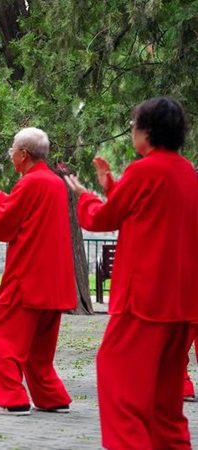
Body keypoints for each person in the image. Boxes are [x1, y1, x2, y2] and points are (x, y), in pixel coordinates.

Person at [65, 96, 198, 449]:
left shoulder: (144, 171)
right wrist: (110, 186)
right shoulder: (187, 172)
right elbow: (143, 207)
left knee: (119, 382)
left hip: (144, 298)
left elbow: (103, 218)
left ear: (148, 132)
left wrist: (84, 196)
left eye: (134, 126)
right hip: (182, 302)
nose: (132, 133)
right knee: (165, 399)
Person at [0, 127, 76, 416]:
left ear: (23, 154)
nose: (10, 153)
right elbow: (17, 205)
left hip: (28, 277)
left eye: (12, 148)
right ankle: (52, 398)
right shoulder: (53, 182)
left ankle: (11, 399)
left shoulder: (30, 183)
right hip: (54, 280)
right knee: (39, 349)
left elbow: (3, 222)